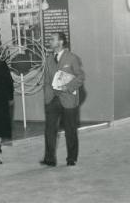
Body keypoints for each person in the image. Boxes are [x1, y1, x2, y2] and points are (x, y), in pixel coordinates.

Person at [40, 32, 85, 167]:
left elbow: (80, 77)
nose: (49, 41)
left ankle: (71, 158)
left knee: (70, 130)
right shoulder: (48, 59)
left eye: (52, 39)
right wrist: (47, 96)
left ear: (60, 42)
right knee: (49, 130)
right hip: (52, 100)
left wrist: (68, 87)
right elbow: (46, 80)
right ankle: (49, 159)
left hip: (68, 100)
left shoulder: (72, 58)